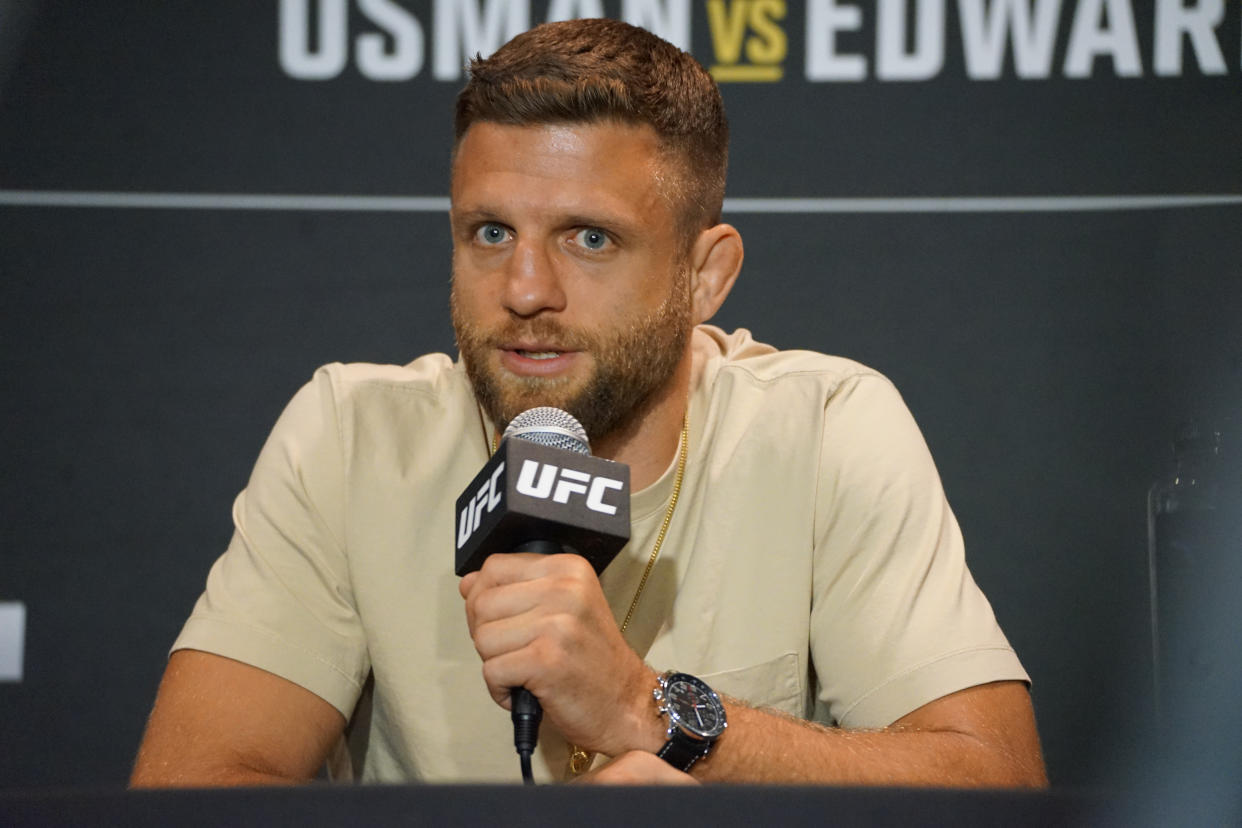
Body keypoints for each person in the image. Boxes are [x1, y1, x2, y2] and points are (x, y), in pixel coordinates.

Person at [131, 18, 1046, 788]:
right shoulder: (353, 433)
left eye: (590, 238)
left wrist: (656, 715)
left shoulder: (826, 427)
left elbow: (994, 780)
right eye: (490, 232)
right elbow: (189, 794)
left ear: (705, 275)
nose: (525, 288)